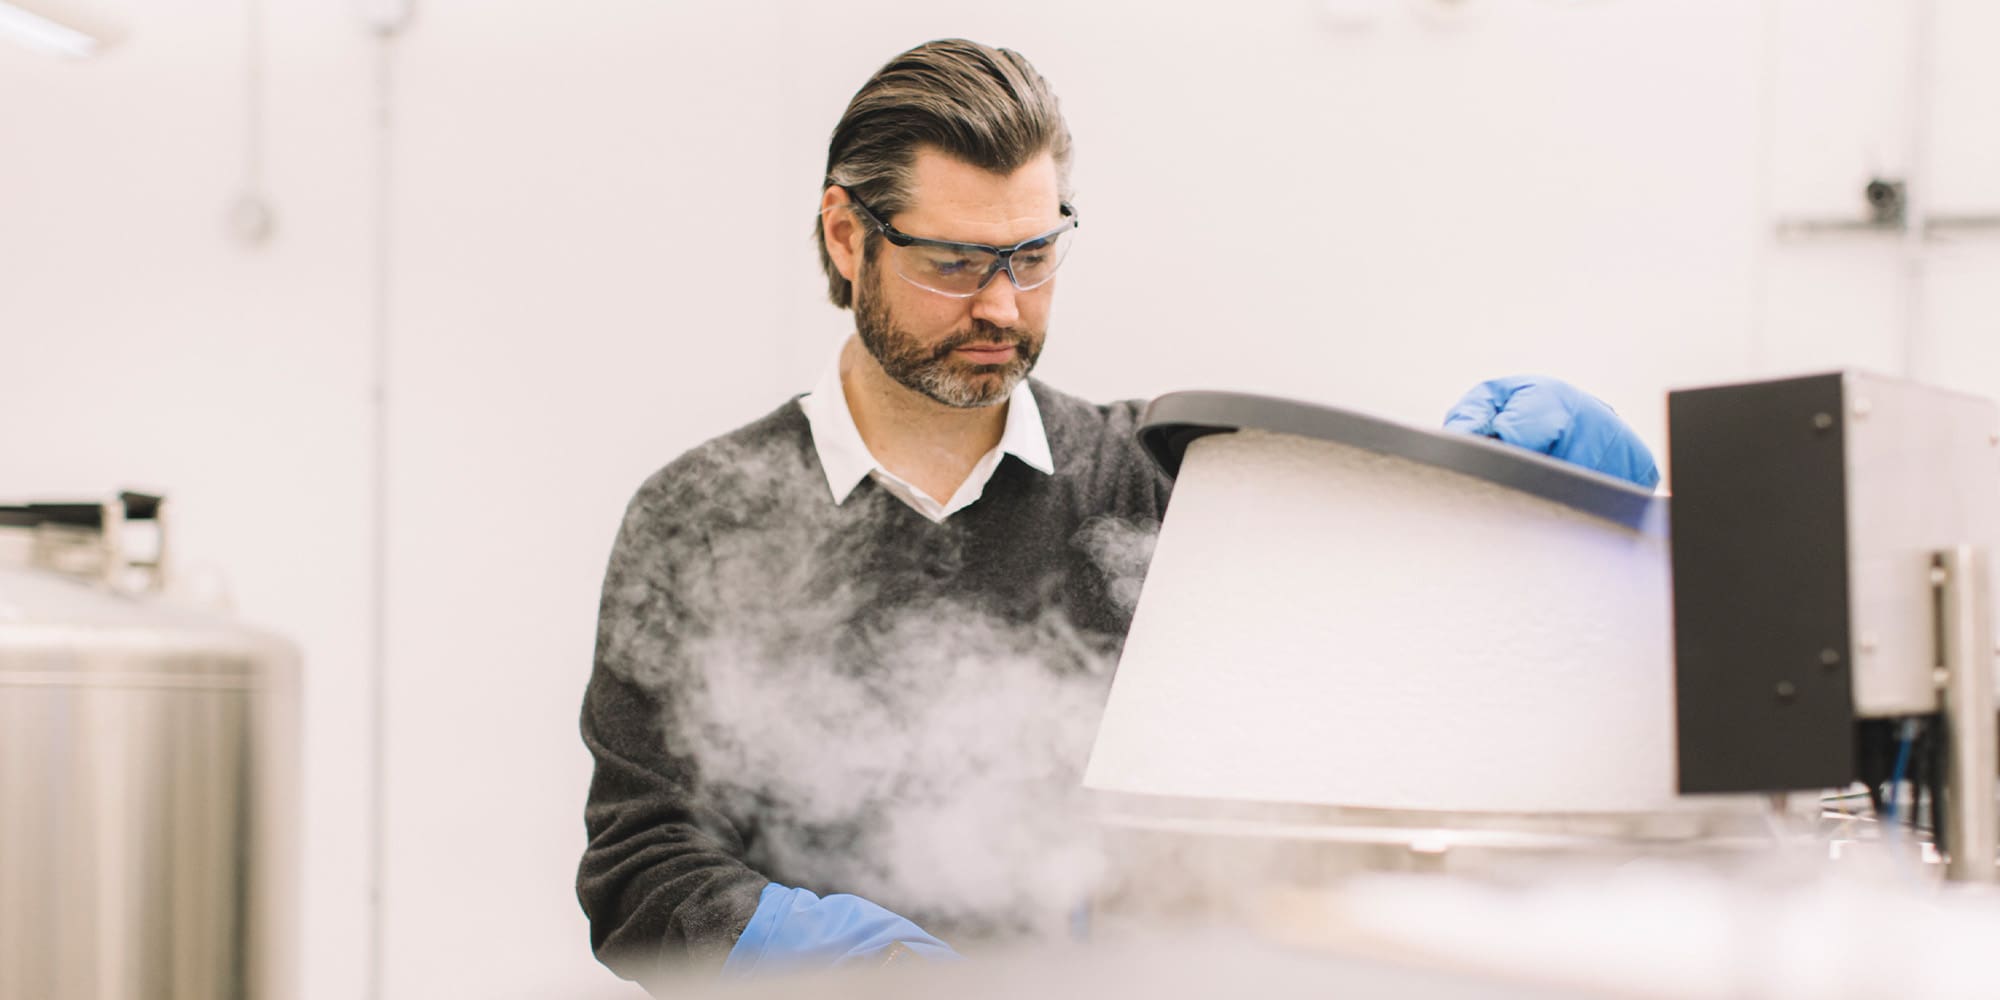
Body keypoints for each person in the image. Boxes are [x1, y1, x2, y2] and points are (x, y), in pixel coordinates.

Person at [576, 37, 1658, 989]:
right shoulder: (701, 517)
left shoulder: (1158, 485)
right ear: (848, 236)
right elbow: (640, 869)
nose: (1002, 305)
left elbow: (1412, 670)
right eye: (955, 263)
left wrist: (1554, 515)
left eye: (1034, 257)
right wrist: (856, 966)